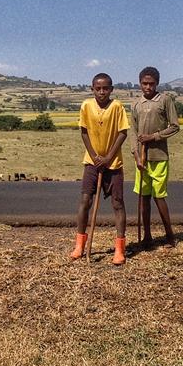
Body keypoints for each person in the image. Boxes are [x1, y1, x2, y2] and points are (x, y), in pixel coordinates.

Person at [70, 72, 130, 265]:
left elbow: (123, 133)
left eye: (106, 88)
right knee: (85, 200)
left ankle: (120, 249)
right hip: (92, 161)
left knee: (118, 203)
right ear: (92, 89)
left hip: (113, 163)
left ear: (111, 89)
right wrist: (96, 157)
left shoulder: (117, 106)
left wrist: (108, 157)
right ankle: (79, 244)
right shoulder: (86, 106)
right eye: (98, 88)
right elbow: (84, 132)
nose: (102, 92)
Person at [131, 66, 179, 246]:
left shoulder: (165, 100)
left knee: (159, 197)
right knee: (144, 197)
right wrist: (136, 156)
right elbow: (133, 132)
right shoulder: (135, 104)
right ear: (140, 84)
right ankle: (147, 236)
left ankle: (170, 235)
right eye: (144, 83)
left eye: (151, 84)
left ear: (157, 83)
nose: (148, 87)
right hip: (142, 159)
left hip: (159, 156)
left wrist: (153, 137)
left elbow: (175, 126)